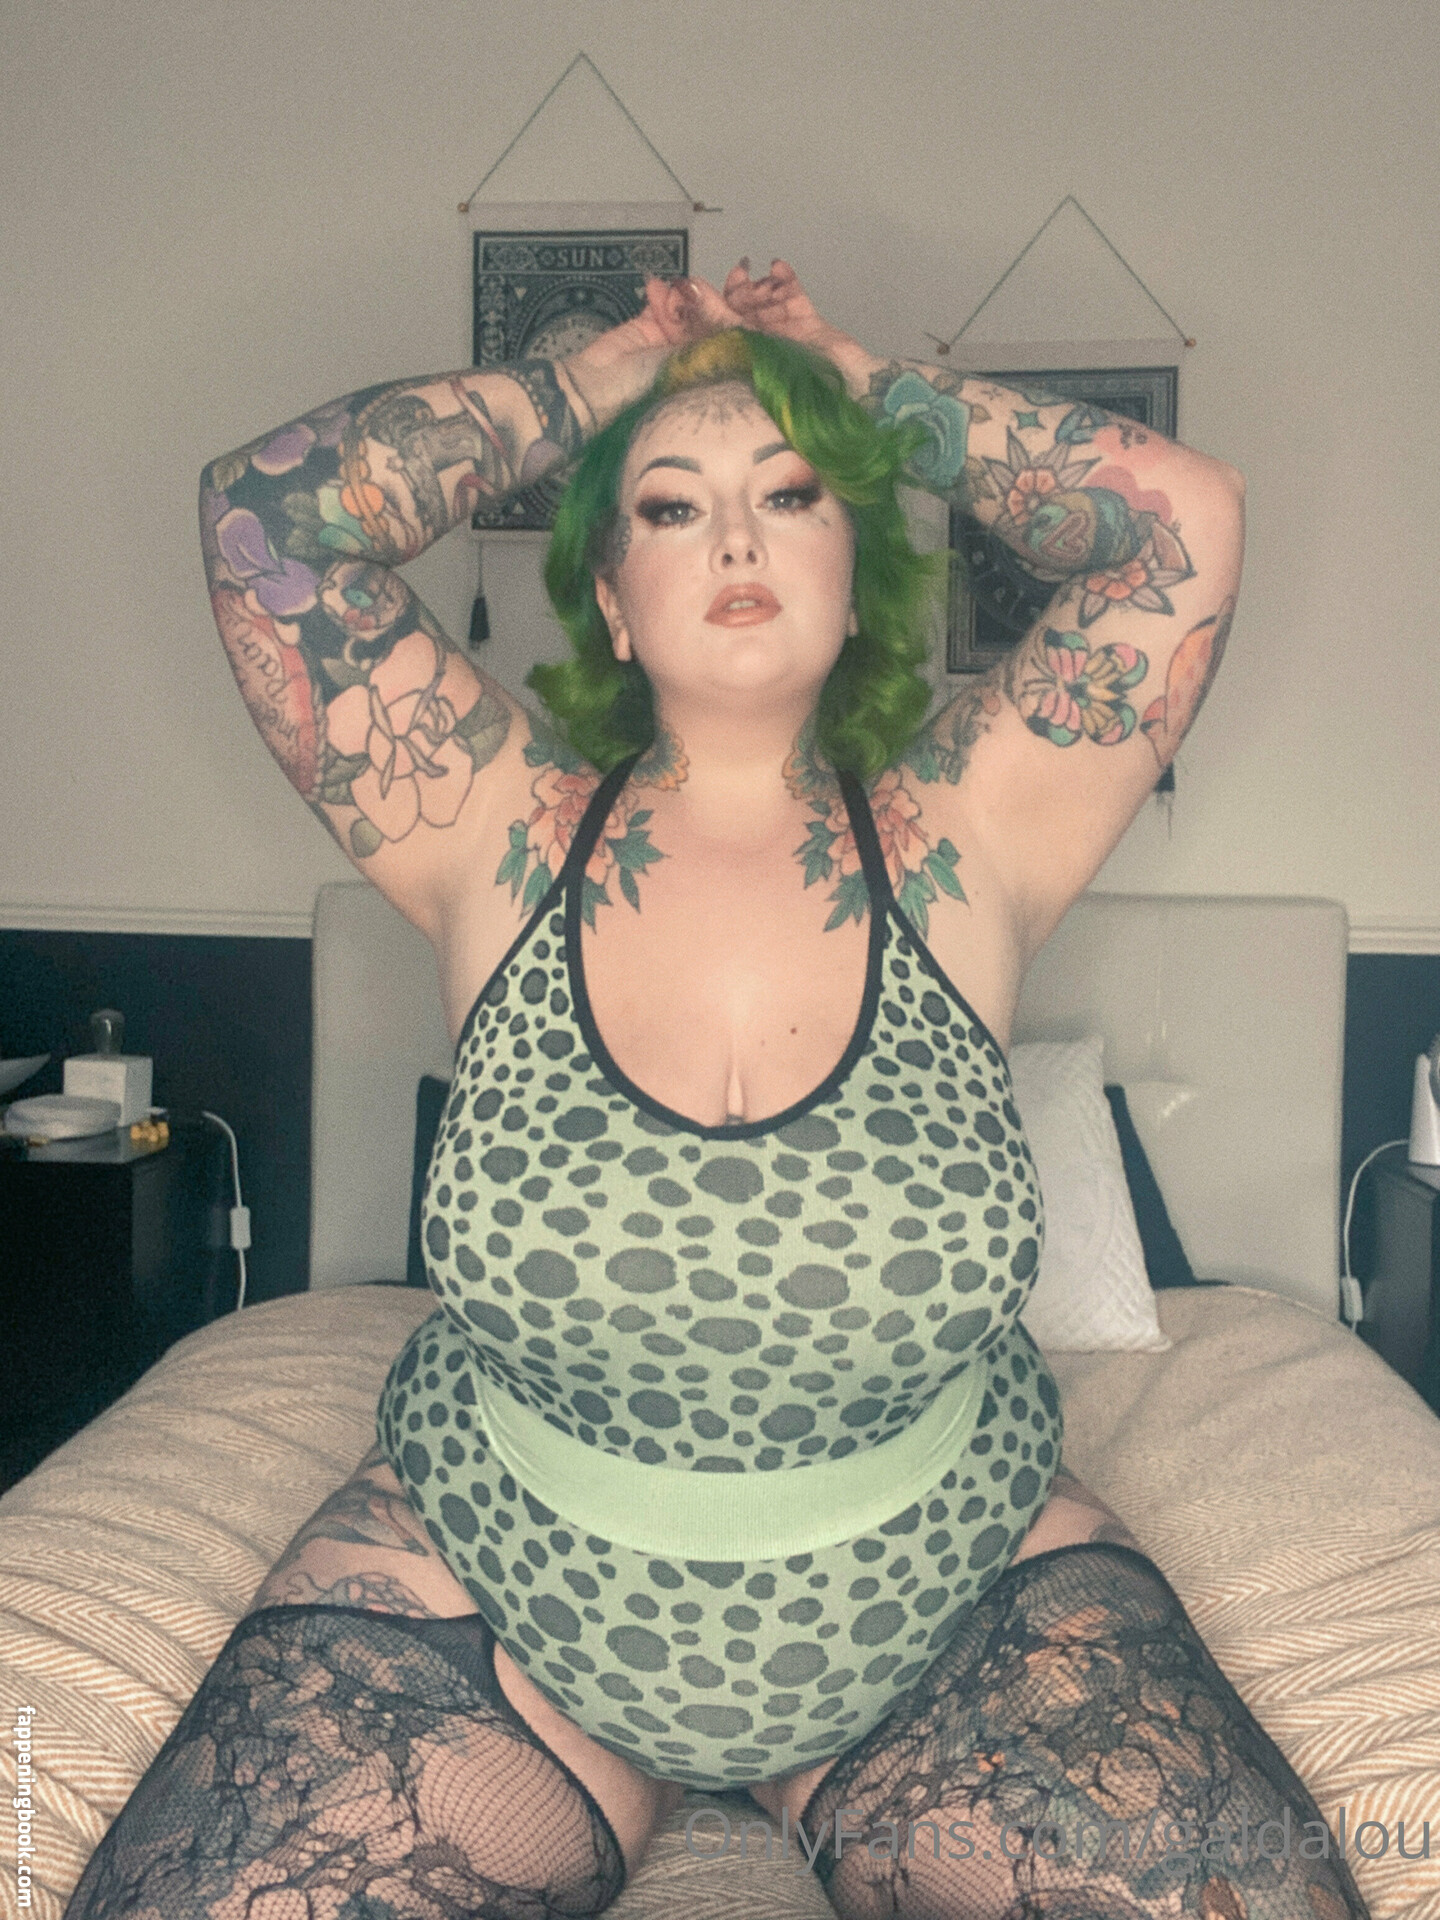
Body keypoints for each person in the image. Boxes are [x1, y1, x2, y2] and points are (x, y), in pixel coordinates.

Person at [64, 265, 1367, 1920]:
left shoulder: (978, 833)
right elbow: (266, 520)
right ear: (611, 603)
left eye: (793, 494)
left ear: (855, 570)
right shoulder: (490, 829)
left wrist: (856, 383)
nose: (739, 536)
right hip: (508, 1585)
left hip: (934, 1593)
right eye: (673, 507)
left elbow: (1187, 520)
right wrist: (599, 382)